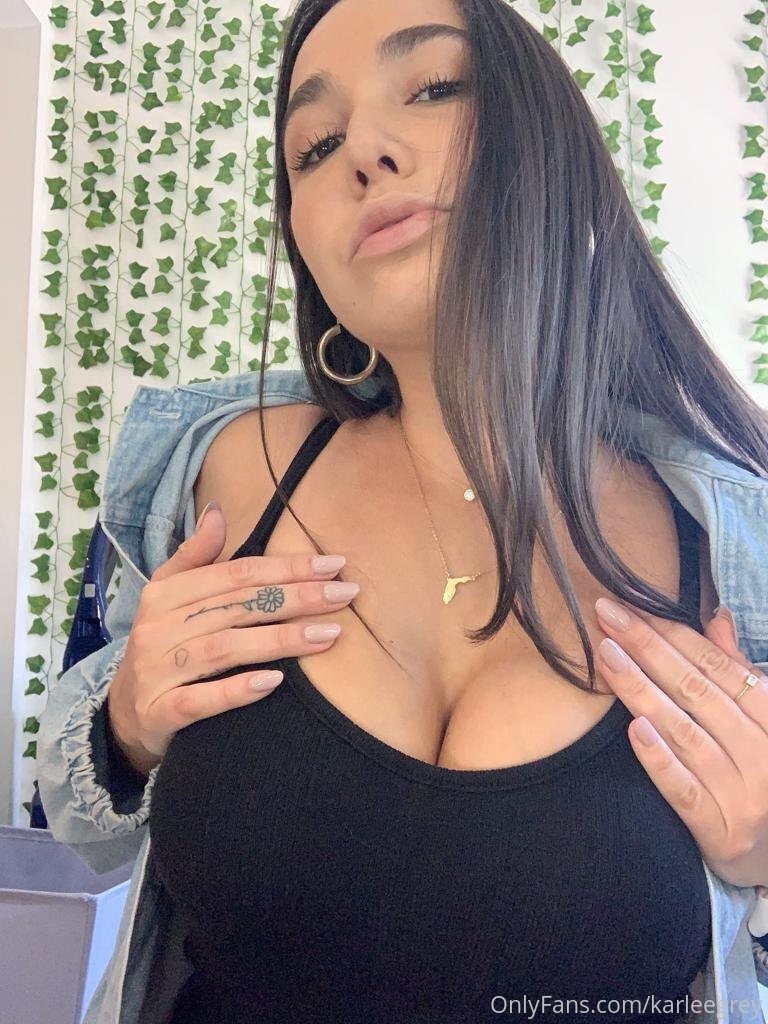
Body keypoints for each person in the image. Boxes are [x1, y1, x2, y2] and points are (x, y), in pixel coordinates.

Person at [36, 1, 768, 1022]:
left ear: (549, 141)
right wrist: (123, 723)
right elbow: (78, 826)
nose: (363, 152)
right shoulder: (215, 472)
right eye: (314, 145)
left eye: (432, 88)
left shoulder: (733, 538)